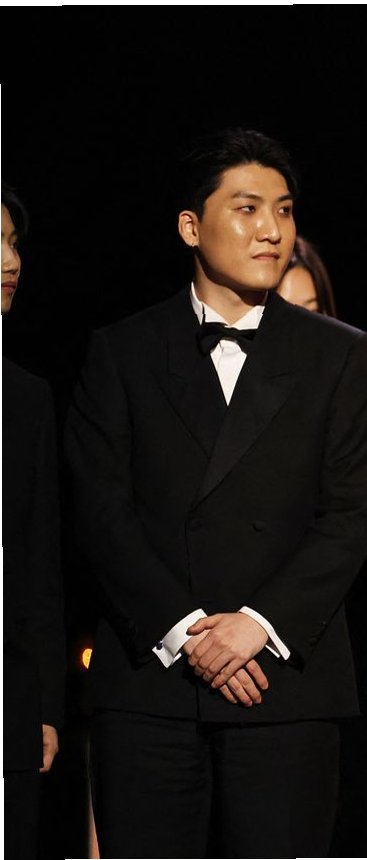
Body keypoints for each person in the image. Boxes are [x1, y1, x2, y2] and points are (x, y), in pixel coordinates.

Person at [64, 129, 367, 858]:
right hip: (151, 688)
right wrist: (186, 631)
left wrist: (257, 625)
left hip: (284, 685)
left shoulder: (338, 353)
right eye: (247, 209)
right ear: (191, 226)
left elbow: (353, 513)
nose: (272, 229)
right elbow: (100, 512)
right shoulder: (122, 351)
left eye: (284, 210)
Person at [274, 233, 367, 858]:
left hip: (335, 693)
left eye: (313, 311)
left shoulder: (366, 423)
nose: (301, 330)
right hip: (242, 691)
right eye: (281, 311)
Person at [2, 185, 66, 860]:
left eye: (13, 243)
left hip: (8, 709)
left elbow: (38, 565)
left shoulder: (25, 398)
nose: (10, 260)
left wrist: (45, 706)